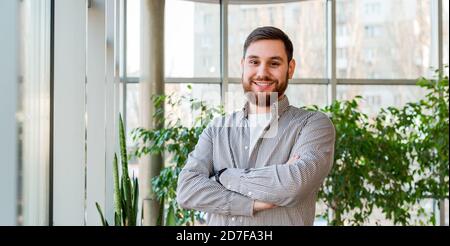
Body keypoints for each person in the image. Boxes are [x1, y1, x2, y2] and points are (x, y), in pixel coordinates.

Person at [176, 26, 335, 226]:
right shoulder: (217, 128)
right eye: (254, 62)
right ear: (243, 65)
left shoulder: (312, 125)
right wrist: (251, 203)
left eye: (274, 63)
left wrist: (222, 176)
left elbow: (293, 185)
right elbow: (187, 190)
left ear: (290, 68)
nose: (262, 72)